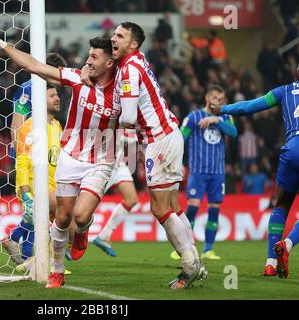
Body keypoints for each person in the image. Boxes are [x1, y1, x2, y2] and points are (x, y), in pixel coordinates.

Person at [0, 20, 121, 289]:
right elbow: (33, 65)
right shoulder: (77, 79)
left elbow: (141, 111)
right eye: (88, 55)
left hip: (100, 161)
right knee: (62, 218)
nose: (87, 60)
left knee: (79, 217)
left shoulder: (123, 91)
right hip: (71, 156)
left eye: (93, 57)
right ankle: (56, 269)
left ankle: (81, 231)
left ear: (109, 63)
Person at [84, 22, 206, 289]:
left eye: (120, 36)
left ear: (134, 44)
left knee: (160, 208)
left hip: (159, 140)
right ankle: (196, 259)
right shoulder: (136, 61)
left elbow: (127, 116)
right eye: (114, 34)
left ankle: (189, 266)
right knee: (173, 205)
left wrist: (109, 118)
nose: (113, 39)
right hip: (168, 134)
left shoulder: (128, 70)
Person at [212, 79, 299, 278]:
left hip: (292, 148)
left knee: (281, 205)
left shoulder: (283, 91)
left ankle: (270, 264)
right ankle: (287, 244)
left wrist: (224, 108)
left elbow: (250, 106)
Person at [173, 85, 237, 261]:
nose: (219, 102)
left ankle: (208, 249)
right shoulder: (194, 117)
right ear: (208, 98)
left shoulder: (225, 116)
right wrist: (177, 162)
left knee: (214, 209)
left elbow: (234, 133)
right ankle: (182, 247)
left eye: (222, 100)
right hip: (198, 172)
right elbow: (180, 138)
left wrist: (216, 121)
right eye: (216, 98)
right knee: (192, 208)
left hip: (217, 172)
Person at [1, 84, 62, 265]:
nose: (57, 98)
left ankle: (25, 257)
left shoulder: (57, 126)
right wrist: (25, 189)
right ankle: (49, 261)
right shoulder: (30, 126)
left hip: (53, 183)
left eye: (57, 94)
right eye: (51, 95)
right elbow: (22, 159)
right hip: (34, 182)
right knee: (59, 213)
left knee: (38, 223)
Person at [9, 53, 67, 165]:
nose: (60, 79)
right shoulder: (28, 89)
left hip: (43, 150)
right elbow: (16, 125)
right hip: (27, 151)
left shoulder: (51, 90)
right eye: (57, 74)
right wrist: (22, 156)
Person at [93, 129, 139, 257]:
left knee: (132, 199)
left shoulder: (133, 116)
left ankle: (104, 236)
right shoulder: (117, 113)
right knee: (87, 207)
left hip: (118, 164)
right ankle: (68, 242)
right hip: (103, 165)